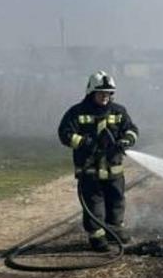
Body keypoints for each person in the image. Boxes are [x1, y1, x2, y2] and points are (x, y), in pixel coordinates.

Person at [57, 71, 139, 251]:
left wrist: (126, 139)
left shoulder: (119, 111)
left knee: (116, 202)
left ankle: (114, 231)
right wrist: (87, 143)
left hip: (114, 171)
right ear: (91, 92)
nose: (105, 96)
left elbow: (132, 129)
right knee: (95, 206)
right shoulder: (76, 112)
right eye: (101, 93)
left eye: (108, 93)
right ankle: (97, 238)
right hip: (90, 171)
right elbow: (65, 134)